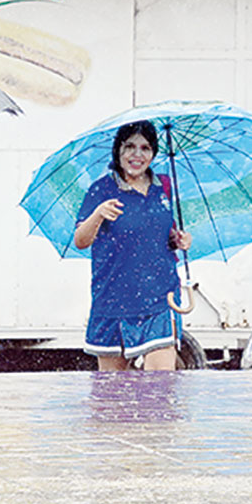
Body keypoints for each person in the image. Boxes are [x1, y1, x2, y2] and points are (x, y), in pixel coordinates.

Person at [74, 119, 192, 371]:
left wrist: (178, 239)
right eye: (129, 147)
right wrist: (98, 214)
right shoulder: (101, 189)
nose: (137, 155)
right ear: (118, 150)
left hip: (161, 299)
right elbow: (80, 241)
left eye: (145, 148)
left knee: (160, 388)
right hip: (112, 301)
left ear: (153, 154)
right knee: (112, 394)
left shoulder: (165, 187)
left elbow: (162, 233)